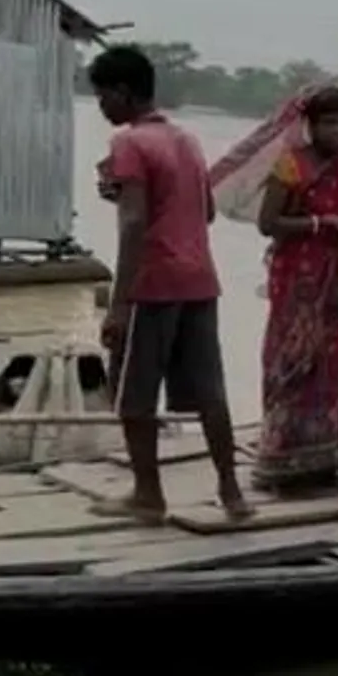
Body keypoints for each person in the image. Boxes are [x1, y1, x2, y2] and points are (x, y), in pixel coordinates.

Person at [86, 44, 251, 523]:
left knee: (132, 393)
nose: (101, 107)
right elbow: (206, 212)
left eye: (102, 97)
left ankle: (148, 496)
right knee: (210, 391)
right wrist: (126, 193)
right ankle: (232, 492)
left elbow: (134, 222)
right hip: (199, 279)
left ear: (122, 92)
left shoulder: (129, 144)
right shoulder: (187, 141)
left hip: (152, 282)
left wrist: (118, 305)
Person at [253, 86, 338, 491]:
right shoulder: (290, 165)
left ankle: (323, 455)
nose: (336, 131)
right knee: (292, 359)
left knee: (333, 362)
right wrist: (321, 224)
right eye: (328, 122)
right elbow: (268, 223)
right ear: (310, 125)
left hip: (334, 276)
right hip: (296, 279)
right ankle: (281, 455)